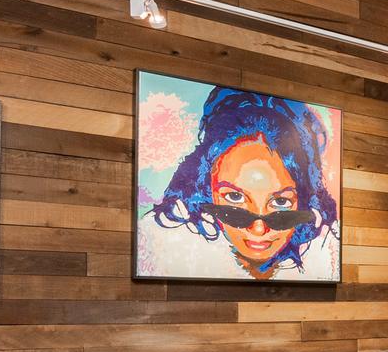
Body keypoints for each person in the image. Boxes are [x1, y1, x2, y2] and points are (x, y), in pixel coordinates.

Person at [142, 88, 339, 281]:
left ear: (303, 199)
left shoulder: (325, 250)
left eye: (280, 201)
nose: (259, 230)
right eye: (235, 197)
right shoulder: (160, 244)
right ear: (207, 187)